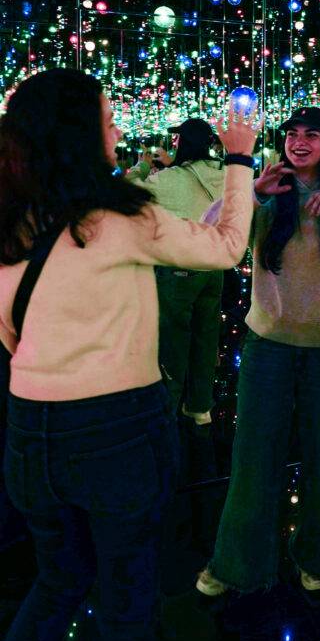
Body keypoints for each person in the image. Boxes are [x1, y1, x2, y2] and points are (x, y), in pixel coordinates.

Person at [0, 69, 258, 641]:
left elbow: (11, 335)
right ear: (77, 136)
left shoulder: (9, 222)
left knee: (56, 583)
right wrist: (240, 159)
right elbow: (226, 247)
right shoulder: (120, 217)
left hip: (28, 433)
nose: (118, 129)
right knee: (126, 603)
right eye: (108, 119)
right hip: (115, 433)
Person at [196, 105, 320, 598]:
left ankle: (317, 558)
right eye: (292, 134)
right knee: (253, 458)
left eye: (312, 135)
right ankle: (235, 563)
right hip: (269, 347)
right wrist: (251, 191)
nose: (299, 142)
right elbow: (209, 233)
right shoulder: (268, 192)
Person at [128, 118, 227, 425]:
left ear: (183, 143)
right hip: (214, 267)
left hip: (178, 270)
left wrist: (141, 169)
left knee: (173, 342)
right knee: (206, 337)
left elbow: (131, 196)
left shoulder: (169, 179)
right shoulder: (224, 173)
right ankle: (200, 407)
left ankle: (168, 408)